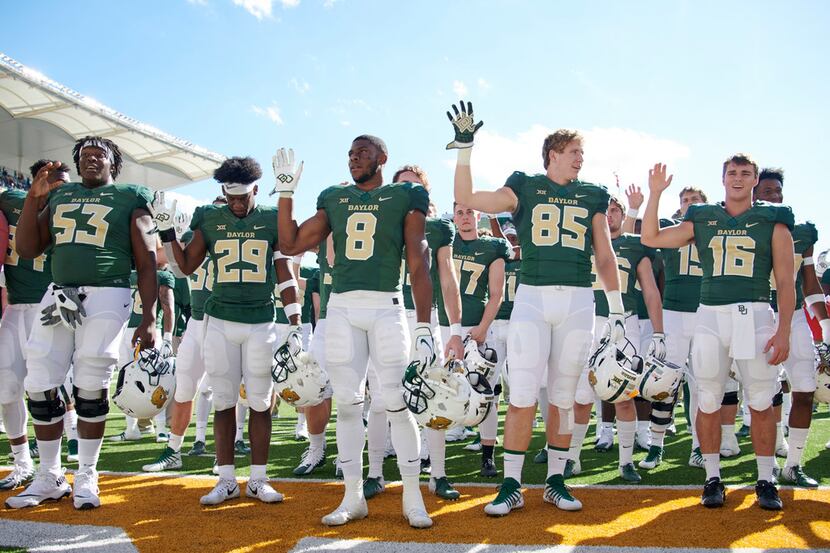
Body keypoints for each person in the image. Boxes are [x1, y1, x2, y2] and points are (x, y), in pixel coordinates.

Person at [449, 101, 622, 515]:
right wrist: (465, 150)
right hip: (532, 296)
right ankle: (511, 483)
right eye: (575, 152)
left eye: (582, 153)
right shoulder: (524, 186)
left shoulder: (593, 194)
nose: (581, 159)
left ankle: (555, 481)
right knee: (524, 392)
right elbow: (468, 196)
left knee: (562, 396)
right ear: (554, 154)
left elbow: (605, 253)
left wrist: (615, 311)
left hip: (579, 300)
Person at [276, 137, 435, 528]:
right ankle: (352, 497)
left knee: (396, 401)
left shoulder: (405, 194)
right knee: (348, 405)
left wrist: (425, 325)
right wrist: (285, 194)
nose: (354, 159)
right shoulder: (334, 197)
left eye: (362, 153)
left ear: (382, 158)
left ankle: (413, 497)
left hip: (386, 304)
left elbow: (417, 263)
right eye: (350, 153)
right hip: (343, 306)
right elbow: (290, 242)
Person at [8, 137, 158, 510]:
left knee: (91, 378)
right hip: (59, 292)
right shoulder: (60, 194)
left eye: (99, 155)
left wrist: (150, 316)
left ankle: (87, 473)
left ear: (113, 163)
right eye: (85, 156)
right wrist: (34, 199)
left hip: (108, 293)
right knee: (40, 379)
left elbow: (148, 260)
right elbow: (27, 248)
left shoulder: (129, 195)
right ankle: (50, 475)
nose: (91, 160)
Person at [642, 156, 795, 510]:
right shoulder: (703, 217)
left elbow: (786, 283)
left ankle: (765, 479)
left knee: (760, 401)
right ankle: (713, 478)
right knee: (707, 399)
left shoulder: (774, 222)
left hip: (755, 314)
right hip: (710, 315)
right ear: (722, 178)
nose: (738, 179)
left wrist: (784, 329)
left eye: (745, 174)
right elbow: (651, 236)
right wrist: (654, 195)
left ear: (755, 180)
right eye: (732, 173)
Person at [153, 156, 299, 505]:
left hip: (261, 320)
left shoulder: (269, 218)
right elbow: (185, 266)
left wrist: (294, 324)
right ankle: (227, 479)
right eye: (230, 197)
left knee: (261, 403)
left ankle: (259, 479)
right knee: (223, 402)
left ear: (256, 191)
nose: (235, 204)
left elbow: (284, 271)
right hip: (219, 321)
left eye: (242, 197)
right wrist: (168, 233)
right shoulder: (209, 216)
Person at [364, 164, 465, 501]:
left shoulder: (438, 227)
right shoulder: (379, 222)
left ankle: (438, 475)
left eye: (414, 185)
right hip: (387, 315)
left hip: (426, 317)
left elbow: (448, 279)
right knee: (380, 397)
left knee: (434, 395)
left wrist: (456, 329)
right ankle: (375, 472)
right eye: (401, 185)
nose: (407, 191)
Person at [571, 195, 664, 483]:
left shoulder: (635, 246)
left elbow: (650, 290)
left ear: (623, 215)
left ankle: (626, 462)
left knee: (624, 392)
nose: (609, 215)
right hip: (586, 321)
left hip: (626, 322)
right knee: (581, 395)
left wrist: (659, 332)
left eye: (614, 210)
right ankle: (571, 458)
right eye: (605, 210)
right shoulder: (583, 243)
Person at [753, 167, 828, 487]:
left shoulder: (802, 231)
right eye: (768, 191)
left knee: (806, 389)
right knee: (762, 397)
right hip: (758, 313)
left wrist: (825, 324)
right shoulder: (745, 227)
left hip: (795, 315)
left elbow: (809, 283)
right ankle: (766, 467)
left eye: (778, 192)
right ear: (755, 194)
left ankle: (793, 464)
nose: (775, 197)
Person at [624, 185, 708, 469]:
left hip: (706, 312)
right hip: (673, 313)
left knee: (702, 385)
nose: (689, 203)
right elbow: (635, 236)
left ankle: (699, 446)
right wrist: (639, 205)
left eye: (694, 199)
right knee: (665, 382)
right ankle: (656, 445)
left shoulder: (715, 227)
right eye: (684, 200)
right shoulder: (671, 229)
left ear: (704, 204)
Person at [0, 160, 65, 491]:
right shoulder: (9, 200)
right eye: (55, 183)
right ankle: (22, 462)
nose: (60, 190)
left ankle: (61, 465)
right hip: (15, 307)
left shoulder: (72, 209)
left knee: (54, 388)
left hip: (53, 306)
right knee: (7, 388)